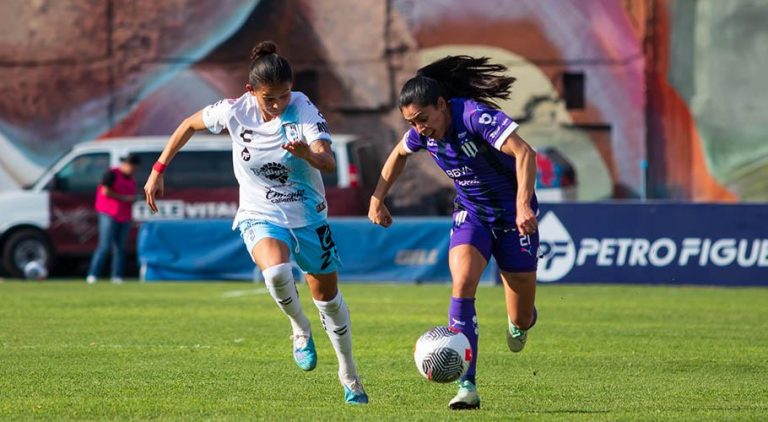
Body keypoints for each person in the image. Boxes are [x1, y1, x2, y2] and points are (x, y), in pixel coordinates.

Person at [143, 41, 368, 405]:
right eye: (269, 98)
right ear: (251, 91)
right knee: (276, 272)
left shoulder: (302, 109)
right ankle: (300, 328)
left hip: (309, 216)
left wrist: (307, 154)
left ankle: (349, 375)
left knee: (327, 300)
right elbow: (188, 125)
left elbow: (327, 162)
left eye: (283, 95)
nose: (278, 105)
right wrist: (158, 169)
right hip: (259, 212)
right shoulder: (233, 111)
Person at [368, 55, 540, 410]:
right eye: (412, 122)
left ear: (442, 104)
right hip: (472, 215)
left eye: (423, 119)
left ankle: (520, 321)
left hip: (513, 219)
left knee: (522, 317)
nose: (419, 128)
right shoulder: (422, 135)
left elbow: (525, 153)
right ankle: (467, 386)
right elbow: (398, 154)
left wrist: (523, 205)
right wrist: (377, 198)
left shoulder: (473, 116)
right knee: (462, 284)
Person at [86, 153, 140, 284]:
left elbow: (130, 199)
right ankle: (93, 275)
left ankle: (117, 276)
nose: (132, 170)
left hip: (124, 216)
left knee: (120, 248)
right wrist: (125, 198)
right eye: (131, 166)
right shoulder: (111, 174)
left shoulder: (131, 180)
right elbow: (105, 191)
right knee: (104, 246)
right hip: (109, 214)